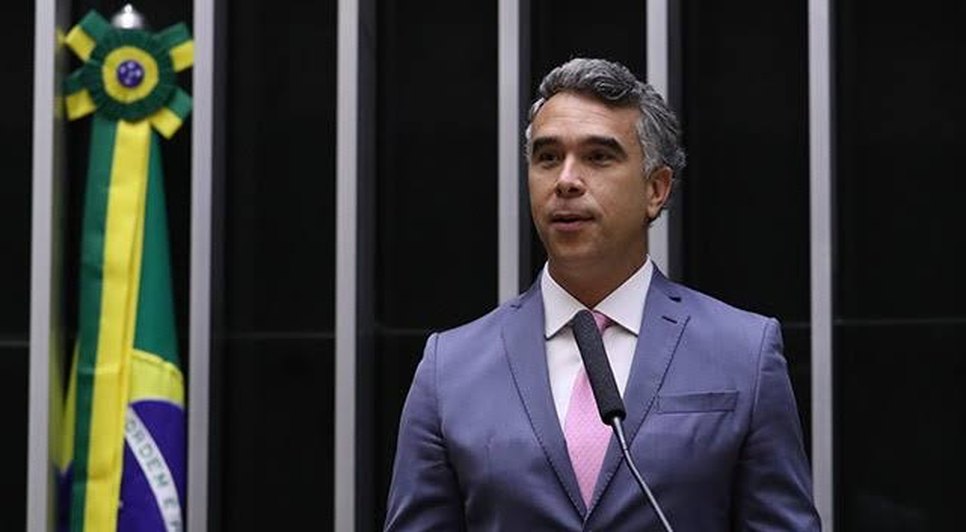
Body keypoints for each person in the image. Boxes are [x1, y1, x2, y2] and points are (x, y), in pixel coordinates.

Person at [385, 57, 820, 531]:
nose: (566, 180)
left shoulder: (743, 352)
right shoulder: (449, 368)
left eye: (598, 157)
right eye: (548, 158)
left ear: (656, 189)